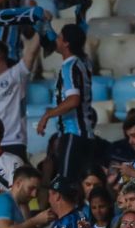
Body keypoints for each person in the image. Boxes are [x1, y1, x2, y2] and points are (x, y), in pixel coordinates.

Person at [39, 25, 98, 180]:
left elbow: (73, 100)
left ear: (66, 43)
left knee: (66, 185)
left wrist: (47, 115)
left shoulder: (70, 67)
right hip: (85, 134)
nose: (56, 40)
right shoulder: (83, 62)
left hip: (74, 134)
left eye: (59, 37)